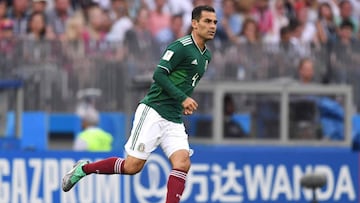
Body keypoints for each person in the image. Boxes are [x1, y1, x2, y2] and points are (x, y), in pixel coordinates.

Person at [62, 5, 217, 203]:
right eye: (207, 21)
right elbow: (159, 75)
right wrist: (182, 98)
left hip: (173, 117)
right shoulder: (181, 47)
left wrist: (182, 102)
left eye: (214, 22)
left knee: (182, 163)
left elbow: (184, 82)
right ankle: (83, 169)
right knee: (132, 167)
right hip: (154, 110)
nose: (212, 26)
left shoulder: (206, 56)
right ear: (195, 24)